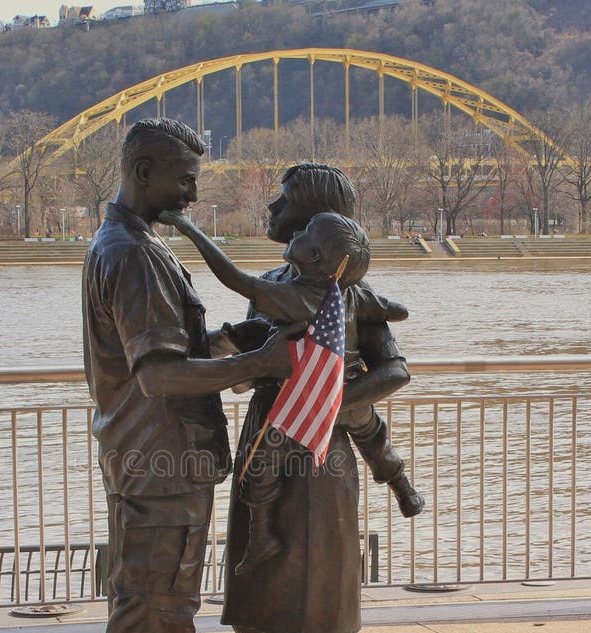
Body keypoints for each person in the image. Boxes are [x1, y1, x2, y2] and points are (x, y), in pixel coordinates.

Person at [82, 118, 293, 633]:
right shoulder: (135, 257)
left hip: (148, 457)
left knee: (150, 607)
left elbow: (176, 348)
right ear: (143, 172)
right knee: (156, 612)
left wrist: (232, 340)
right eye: (184, 180)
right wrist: (257, 365)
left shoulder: (130, 245)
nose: (193, 194)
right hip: (160, 460)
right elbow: (162, 375)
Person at [218, 163, 418, 633]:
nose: (270, 208)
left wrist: (332, 395)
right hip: (264, 442)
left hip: (323, 457)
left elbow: (396, 370)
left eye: (282, 200)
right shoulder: (278, 283)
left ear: (313, 225)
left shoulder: (350, 294)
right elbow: (249, 352)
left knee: (329, 607)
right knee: (250, 601)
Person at [159, 207, 423, 574]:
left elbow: (236, 279)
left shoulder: (296, 296)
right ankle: (402, 486)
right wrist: (399, 310)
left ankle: (262, 536)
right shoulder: (346, 293)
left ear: (314, 257)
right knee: (374, 434)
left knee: (260, 465)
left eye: (305, 232)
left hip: (310, 396)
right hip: (346, 388)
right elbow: (388, 308)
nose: (295, 232)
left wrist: (190, 230)